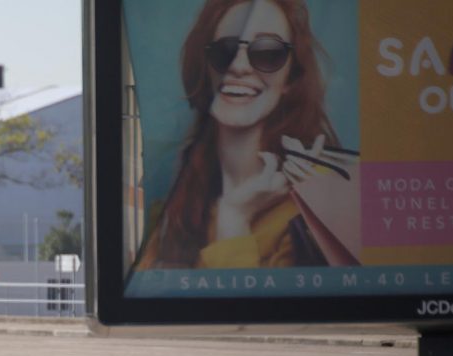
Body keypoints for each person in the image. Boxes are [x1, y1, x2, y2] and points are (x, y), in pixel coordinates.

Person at [134, 0, 344, 270]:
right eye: (225, 51)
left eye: (268, 52)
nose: (240, 66)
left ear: (291, 79)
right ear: (205, 67)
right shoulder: (176, 206)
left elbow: (270, 311)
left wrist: (233, 219)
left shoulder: (315, 211)